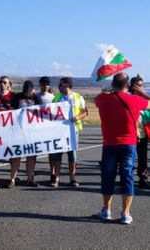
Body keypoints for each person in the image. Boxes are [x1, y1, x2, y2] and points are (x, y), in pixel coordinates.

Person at [96, 73, 150, 224]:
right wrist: (141, 93)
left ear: (113, 84)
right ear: (128, 86)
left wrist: (110, 91)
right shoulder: (135, 100)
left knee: (108, 177)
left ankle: (106, 210)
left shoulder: (102, 99)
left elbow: (98, 100)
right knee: (127, 176)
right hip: (129, 144)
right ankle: (125, 212)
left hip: (109, 144)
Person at [51, 77, 87, 187]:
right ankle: (56, 178)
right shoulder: (57, 97)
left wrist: (78, 117)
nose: (58, 87)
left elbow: (85, 112)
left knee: (72, 155)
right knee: (57, 155)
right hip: (59, 131)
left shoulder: (78, 97)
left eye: (60, 85)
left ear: (66, 85)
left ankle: (72, 178)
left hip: (73, 130)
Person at [10, 81, 42, 188]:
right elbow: (11, 111)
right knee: (16, 155)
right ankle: (12, 179)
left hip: (32, 131)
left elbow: (40, 114)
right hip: (18, 130)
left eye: (29, 92)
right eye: (25, 92)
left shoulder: (37, 99)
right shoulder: (17, 97)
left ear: (33, 90)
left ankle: (30, 179)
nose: (27, 94)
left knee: (31, 156)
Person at [130, 75, 149, 189]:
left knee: (143, 158)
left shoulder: (145, 99)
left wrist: (143, 93)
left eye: (141, 85)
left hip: (142, 133)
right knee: (129, 159)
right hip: (130, 134)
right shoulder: (128, 98)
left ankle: (143, 178)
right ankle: (128, 178)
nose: (139, 88)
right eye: (137, 86)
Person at [36, 76, 56, 185]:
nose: (45, 86)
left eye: (47, 84)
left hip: (49, 127)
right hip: (37, 127)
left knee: (51, 152)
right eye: (43, 84)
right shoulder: (36, 96)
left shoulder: (52, 97)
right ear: (40, 85)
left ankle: (52, 173)